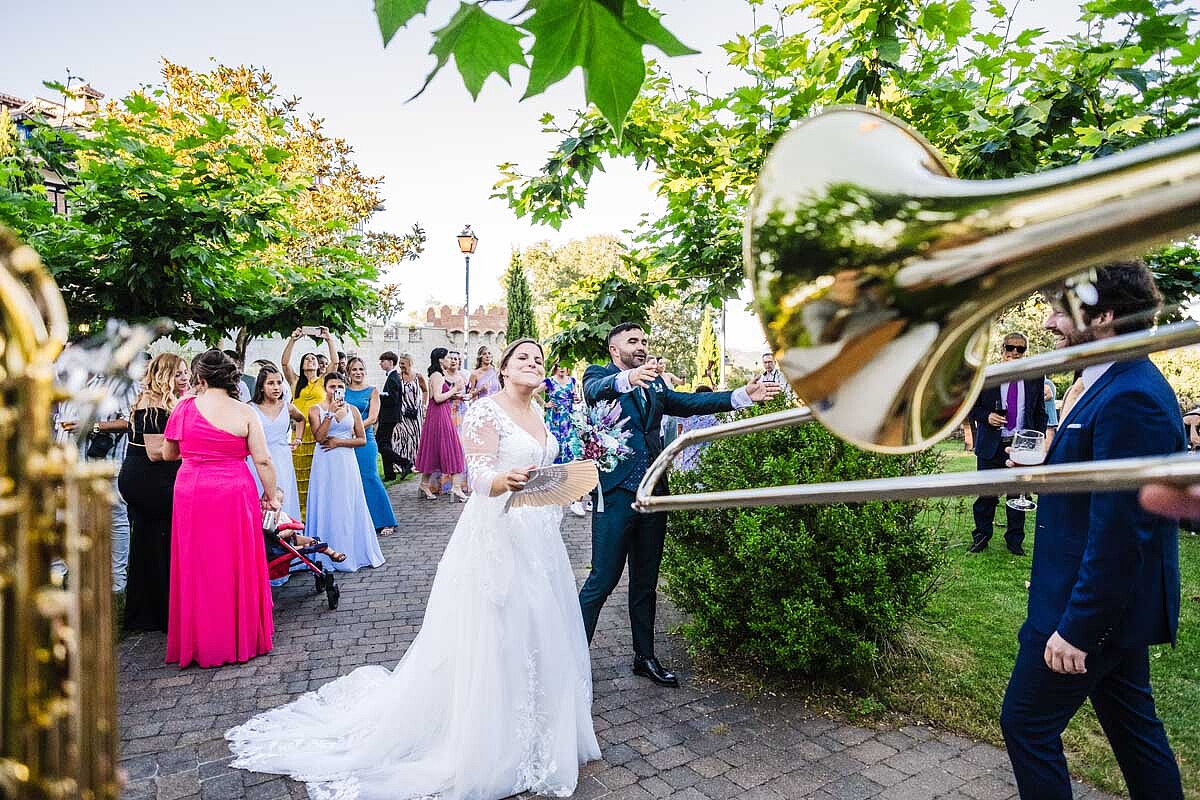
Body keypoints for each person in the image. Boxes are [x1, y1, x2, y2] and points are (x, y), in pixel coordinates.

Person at [226, 339, 600, 800]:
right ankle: (488, 733)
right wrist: (506, 480)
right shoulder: (486, 410)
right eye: (522, 357)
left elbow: (541, 466)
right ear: (503, 370)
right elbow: (479, 476)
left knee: (538, 626)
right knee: (498, 628)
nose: (533, 364)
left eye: (538, 359)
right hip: (498, 534)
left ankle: (538, 723)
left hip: (540, 535)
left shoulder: (540, 412)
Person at [999, 261, 1184, 800]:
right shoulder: (1099, 382)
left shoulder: (1133, 395)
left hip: (1092, 609)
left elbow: (1125, 532)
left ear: (1103, 317)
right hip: (1102, 602)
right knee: (1135, 733)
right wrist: (1047, 472)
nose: (1051, 323)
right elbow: (1095, 493)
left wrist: (1080, 626)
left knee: (1027, 724)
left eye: (1061, 311)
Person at [579, 323, 780, 686]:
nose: (641, 347)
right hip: (616, 494)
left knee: (645, 581)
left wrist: (741, 396)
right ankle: (572, 658)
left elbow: (688, 403)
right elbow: (595, 391)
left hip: (655, 492)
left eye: (643, 341)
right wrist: (628, 379)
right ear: (614, 349)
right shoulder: (599, 375)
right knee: (602, 580)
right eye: (633, 342)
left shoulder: (656, 384)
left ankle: (645, 657)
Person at [162, 350, 277, 669]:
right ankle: (238, 637)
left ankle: (201, 641)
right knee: (234, 561)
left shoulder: (184, 408)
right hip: (233, 491)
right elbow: (263, 460)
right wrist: (272, 496)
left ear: (199, 377)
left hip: (192, 490)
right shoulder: (245, 412)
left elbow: (169, 453)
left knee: (197, 564)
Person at [120, 353, 188, 632]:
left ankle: (150, 609)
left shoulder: (170, 401)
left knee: (153, 542)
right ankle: (159, 611)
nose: (185, 378)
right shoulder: (151, 404)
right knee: (158, 539)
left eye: (186, 373)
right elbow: (156, 453)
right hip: (146, 480)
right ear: (165, 376)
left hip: (158, 478)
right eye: (179, 374)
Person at [964, 332, 1048, 556]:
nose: (1015, 353)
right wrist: (986, 416)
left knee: (1018, 495)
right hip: (992, 445)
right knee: (986, 495)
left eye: (1020, 349)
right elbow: (970, 407)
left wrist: (1035, 440)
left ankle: (1014, 541)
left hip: (1020, 447)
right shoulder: (987, 374)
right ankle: (981, 537)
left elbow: (1040, 413)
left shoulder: (1035, 376)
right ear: (1002, 349)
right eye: (1010, 348)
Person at [306, 372, 385, 572]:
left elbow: (362, 439)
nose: (336, 390)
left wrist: (340, 442)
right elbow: (319, 437)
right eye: (332, 386)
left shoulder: (353, 410)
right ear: (325, 388)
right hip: (325, 462)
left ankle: (353, 549)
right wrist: (330, 414)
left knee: (348, 500)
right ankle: (326, 550)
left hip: (346, 460)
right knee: (327, 500)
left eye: (340, 386)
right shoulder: (315, 410)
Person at [282, 327, 336, 514]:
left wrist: (329, 340)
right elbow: (285, 364)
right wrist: (293, 339)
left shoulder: (322, 381)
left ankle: (317, 511)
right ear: (302, 364)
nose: (310, 360)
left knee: (317, 474)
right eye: (307, 359)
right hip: (299, 433)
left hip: (317, 430)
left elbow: (334, 363)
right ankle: (301, 513)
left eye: (313, 358)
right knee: (299, 475)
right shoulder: (296, 382)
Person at [345, 356, 398, 536]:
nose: (358, 373)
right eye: (354, 370)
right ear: (348, 373)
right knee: (350, 480)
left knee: (370, 477)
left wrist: (356, 428)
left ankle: (385, 520)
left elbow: (373, 417)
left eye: (361, 369)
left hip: (364, 440)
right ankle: (359, 521)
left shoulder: (372, 391)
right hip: (345, 441)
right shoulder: (342, 391)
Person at [248, 365, 305, 521]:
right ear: (261, 387)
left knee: (284, 495)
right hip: (257, 460)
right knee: (260, 499)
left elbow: (301, 419)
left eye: (279, 383)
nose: (276, 387)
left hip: (283, 458)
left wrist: (298, 439)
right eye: (271, 383)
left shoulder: (288, 407)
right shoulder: (250, 408)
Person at [415, 348, 467, 501]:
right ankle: (456, 488)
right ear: (440, 360)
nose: (449, 360)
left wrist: (454, 394)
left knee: (433, 449)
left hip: (437, 413)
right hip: (440, 414)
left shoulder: (436, 375)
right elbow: (437, 398)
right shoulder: (437, 375)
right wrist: (455, 389)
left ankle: (424, 484)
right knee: (454, 448)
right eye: (446, 357)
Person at [543, 363, 585, 517]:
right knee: (555, 452)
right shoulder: (549, 381)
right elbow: (533, 392)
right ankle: (553, 489)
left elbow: (575, 398)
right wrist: (545, 404)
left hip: (568, 421)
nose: (562, 368)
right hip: (554, 421)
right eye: (559, 366)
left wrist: (576, 398)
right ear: (555, 367)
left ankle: (575, 498)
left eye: (564, 366)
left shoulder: (572, 381)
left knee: (572, 452)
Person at [390, 353, 425, 478]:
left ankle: (416, 463)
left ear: (410, 363)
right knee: (401, 436)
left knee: (415, 437)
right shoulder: (398, 377)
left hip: (416, 411)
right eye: (400, 364)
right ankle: (402, 463)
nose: (401, 366)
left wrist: (423, 405)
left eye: (403, 364)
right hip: (403, 411)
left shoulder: (418, 376)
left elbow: (425, 390)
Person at [674, 386, 718, 471]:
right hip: (702, 454)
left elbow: (679, 428)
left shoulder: (687, 413)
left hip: (692, 453)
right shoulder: (713, 416)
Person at [376, 351, 404, 482]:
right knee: (385, 444)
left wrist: (379, 396)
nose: (381, 363)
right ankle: (389, 473)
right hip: (389, 416)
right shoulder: (392, 377)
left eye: (383, 361)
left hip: (389, 416)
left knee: (381, 444)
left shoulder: (393, 378)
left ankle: (404, 462)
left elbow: (393, 399)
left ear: (391, 362)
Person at [1043, 377, 1060, 447]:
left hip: (1048, 419)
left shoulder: (1045, 383)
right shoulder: (1048, 382)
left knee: (1048, 446)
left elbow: (1049, 395)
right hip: (1050, 419)